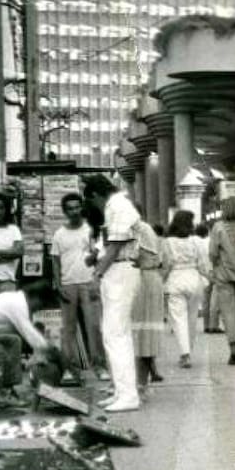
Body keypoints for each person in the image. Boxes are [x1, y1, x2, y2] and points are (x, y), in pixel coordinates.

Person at [83, 175, 141, 412]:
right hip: (117, 271)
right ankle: (121, 390)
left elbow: (116, 246)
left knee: (115, 334)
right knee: (114, 334)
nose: (92, 206)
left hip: (120, 270)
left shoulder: (118, 206)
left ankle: (128, 395)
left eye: (90, 200)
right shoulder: (115, 206)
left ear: (96, 195)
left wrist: (97, 275)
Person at [0, 281, 62, 404]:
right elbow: (32, 336)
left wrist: (39, 355)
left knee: (15, 339)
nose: (36, 310)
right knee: (14, 341)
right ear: (35, 298)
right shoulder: (18, 305)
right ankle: (7, 392)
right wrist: (54, 352)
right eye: (39, 306)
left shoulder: (14, 298)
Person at [50, 192, 107, 380]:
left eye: (77, 207)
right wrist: (58, 285)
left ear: (81, 208)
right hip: (68, 284)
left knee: (94, 326)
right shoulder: (59, 234)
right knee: (68, 329)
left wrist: (97, 279)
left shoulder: (90, 230)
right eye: (70, 209)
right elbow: (55, 261)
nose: (74, 211)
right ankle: (69, 369)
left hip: (89, 282)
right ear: (64, 211)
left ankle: (100, 366)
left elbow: (99, 255)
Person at [162, 210, 208, 369]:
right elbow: (203, 265)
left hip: (175, 279)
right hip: (194, 279)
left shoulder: (168, 242)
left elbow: (167, 265)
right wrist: (210, 277)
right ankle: (189, 350)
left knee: (178, 318)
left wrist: (161, 281)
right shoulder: (197, 241)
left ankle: (185, 354)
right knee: (192, 319)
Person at [132, 216, 166, 393]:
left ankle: (141, 382)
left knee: (142, 333)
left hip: (144, 282)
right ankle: (146, 376)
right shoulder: (148, 232)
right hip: (150, 280)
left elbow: (133, 257)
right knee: (144, 333)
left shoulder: (140, 231)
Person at [208, 195, 235, 364]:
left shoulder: (218, 227)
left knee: (228, 312)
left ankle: (233, 349)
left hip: (225, 274)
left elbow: (212, 252)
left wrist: (215, 264)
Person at [194, 223, 220, 334]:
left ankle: (206, 325)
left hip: (204, 273)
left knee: (206, 301)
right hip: (215, 271)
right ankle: (214, 325)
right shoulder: (211, 241)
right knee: (215, 300)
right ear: (208, 232)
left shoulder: (196, 244)